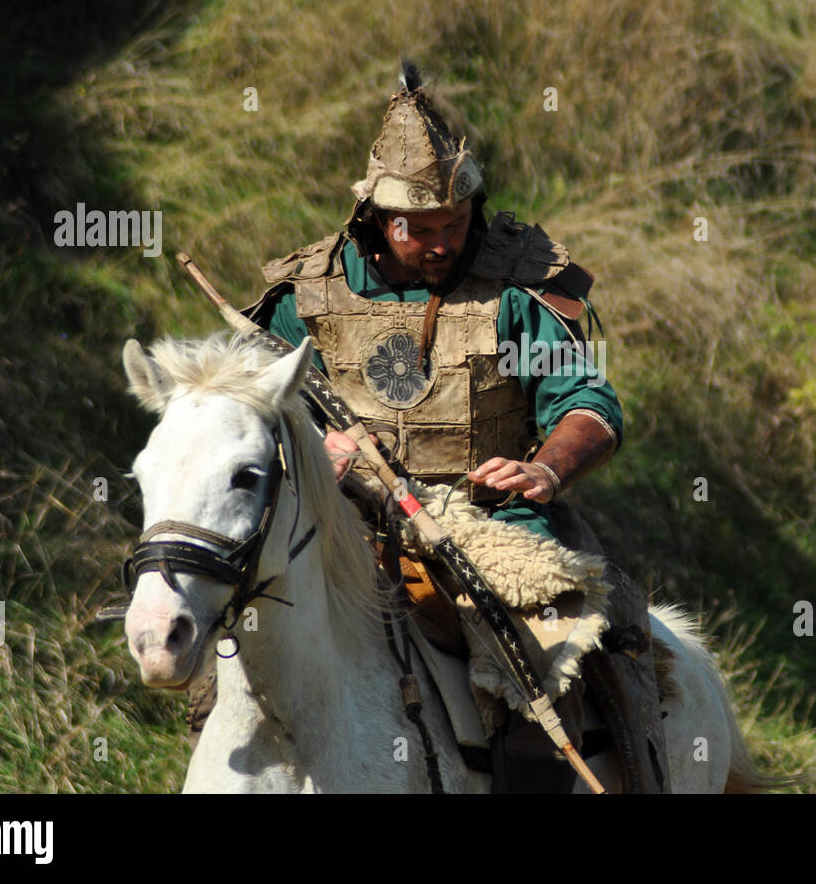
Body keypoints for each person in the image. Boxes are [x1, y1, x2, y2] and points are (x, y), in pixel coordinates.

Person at [241, 61, 667, 791]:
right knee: (233, 604)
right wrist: (312, 445)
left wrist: (545, 470)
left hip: (488, 524)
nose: (440, 244)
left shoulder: (518, 285)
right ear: (377, 218)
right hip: (337, 516)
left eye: (455, 225)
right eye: (420, 230)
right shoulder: (303, 297)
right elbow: (242, 415)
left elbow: (589, 403)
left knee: (543, 648)